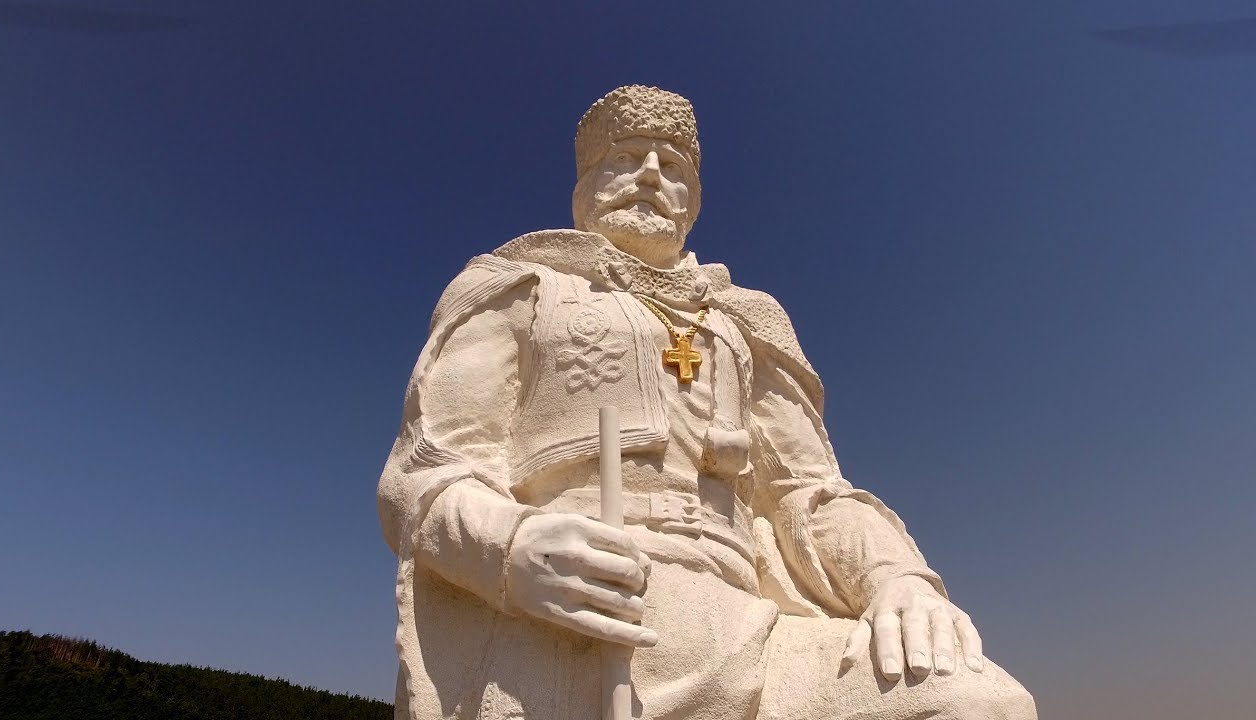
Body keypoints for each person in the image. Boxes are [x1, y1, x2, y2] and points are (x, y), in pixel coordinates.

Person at [377, 85, 1037, 720]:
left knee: (981, 702)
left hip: (748, 624)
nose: (651, 173)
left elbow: (809, 491)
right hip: (575, 618)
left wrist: (898, 577)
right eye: (626, 157)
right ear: (585, 189)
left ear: (692, 202)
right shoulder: (519, 289)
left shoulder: (744, 323)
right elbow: (423, 473)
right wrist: (510, 546)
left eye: (673, 167)